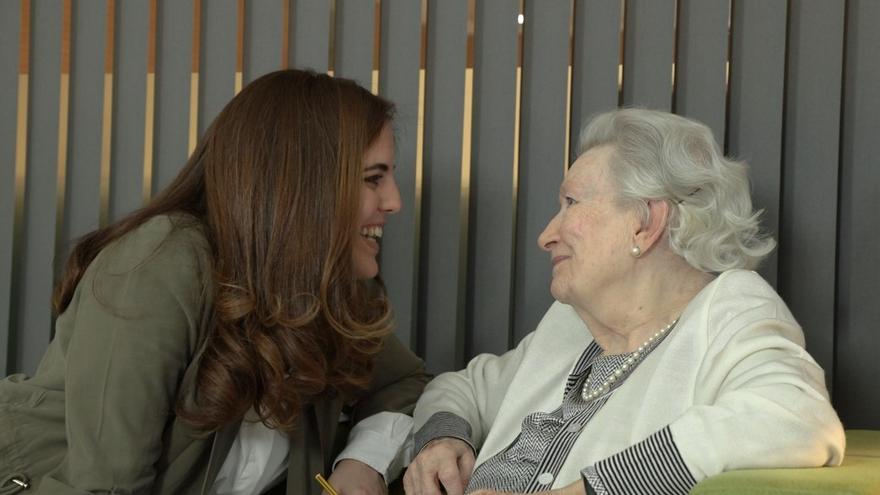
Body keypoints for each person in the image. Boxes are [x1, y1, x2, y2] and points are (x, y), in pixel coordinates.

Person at [0, 69, 429, 495]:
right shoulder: (158, 264)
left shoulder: (324, 282)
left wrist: (361, 463)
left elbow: (406, 384)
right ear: (301, 184)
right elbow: (106, 488)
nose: (394, 202)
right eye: (373, 178)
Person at [403, 108, 845, 495]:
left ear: (645, 222)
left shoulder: (729, 309)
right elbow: (459, 389)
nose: (545, 236)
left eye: (571, 203)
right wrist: (444, 441)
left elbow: (795, 416)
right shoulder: (571, 326)